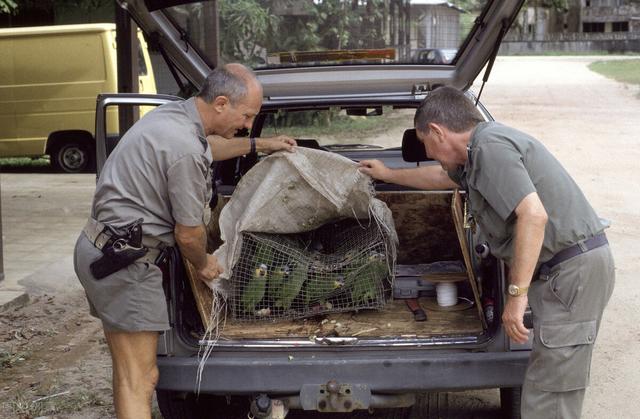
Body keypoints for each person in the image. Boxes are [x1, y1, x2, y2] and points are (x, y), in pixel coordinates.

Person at [359, 86, 614, 419]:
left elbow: (533, 216)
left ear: (437, 131)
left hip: (569, 274)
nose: (430, 153)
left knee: (550, 398)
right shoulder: (478, 152)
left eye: (426, 144)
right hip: (562, 273)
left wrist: (516, 296)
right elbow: (442, 176)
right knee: (546, 383)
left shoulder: (491, 148)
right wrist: (389, 174)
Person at [73, 63, 296, 419]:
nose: (247, 124)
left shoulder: (175, 117)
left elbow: (209, 147)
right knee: (142, 379)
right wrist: (206, 264)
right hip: (126, 264)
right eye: (247, 116)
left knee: (130, 371)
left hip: (104, 249)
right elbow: (188, 233)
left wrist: (260, 144)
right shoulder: (185, 150)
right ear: (221, 103)